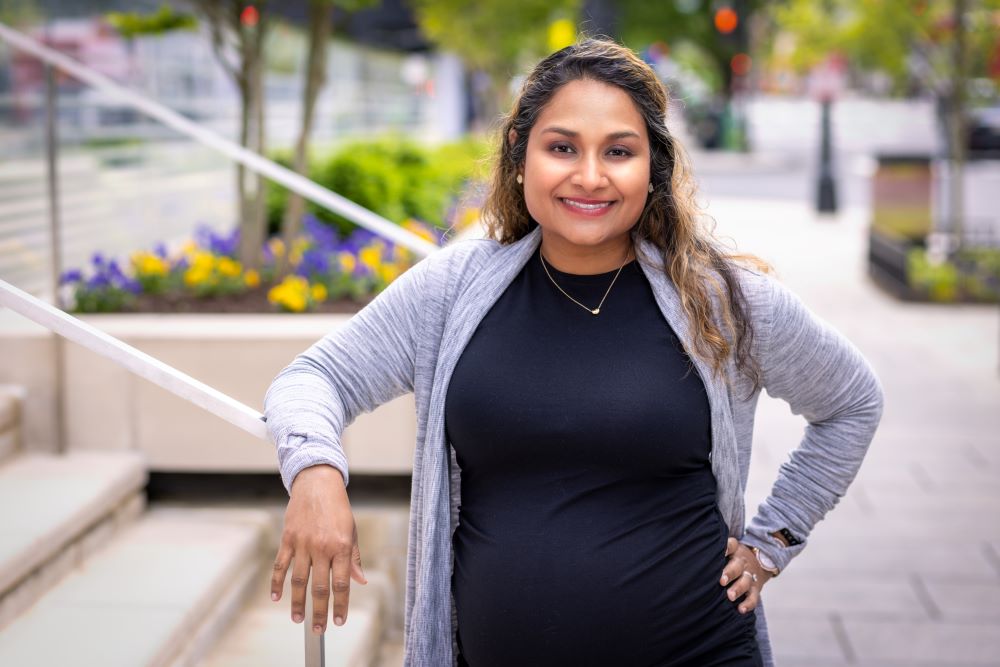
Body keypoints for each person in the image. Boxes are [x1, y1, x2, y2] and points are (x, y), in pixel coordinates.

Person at [263, 38, 884, 667]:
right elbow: (314, 378)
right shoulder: (451, 292)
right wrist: (317, 473)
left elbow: (852, 401)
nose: (590, 176)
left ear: (654, 167)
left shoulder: (722, 299)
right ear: (520, 153)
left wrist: (773, 540)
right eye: (562, 147)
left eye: (619, 151)